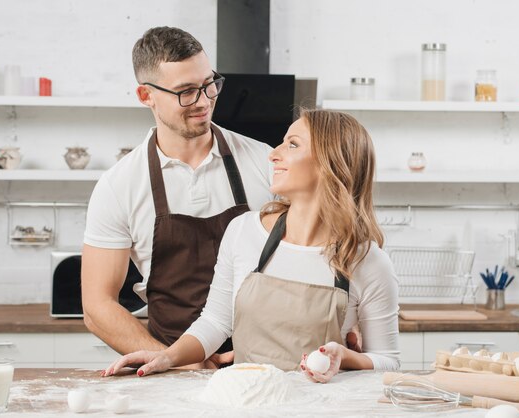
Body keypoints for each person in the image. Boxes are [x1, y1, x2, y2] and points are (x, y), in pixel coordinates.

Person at [103, 109, 400, 383]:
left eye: (292, 145)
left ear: (329, 164)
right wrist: (167, 356)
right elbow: (216, 321)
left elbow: (388, 361)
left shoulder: (367, 262)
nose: (274, 155)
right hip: (246, 401)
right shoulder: (244, 230)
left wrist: (347, 358)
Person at [81, 26, 273, 363]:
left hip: (266, 363)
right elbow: (97, 307)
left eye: (209, 84)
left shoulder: (265, 163)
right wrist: (176, 360)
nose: (203, 101)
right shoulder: (119, 186)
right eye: (185, 91)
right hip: (171, 372)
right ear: (146, 96)